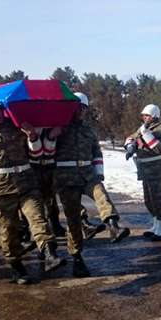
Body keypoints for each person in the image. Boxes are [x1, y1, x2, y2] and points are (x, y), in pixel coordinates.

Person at [0, 94, 64, 284]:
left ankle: (50, 254)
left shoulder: (18, 127)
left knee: (38, 218)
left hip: (27, 184)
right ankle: (16, 266)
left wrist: (33, 136)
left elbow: (35, 153)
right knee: (8, 229)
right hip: (2, 190)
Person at [49, 92, 129, 278]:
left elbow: (96, 152)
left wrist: (99, 174)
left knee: (101, 193)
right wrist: (52, 137)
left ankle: (113, 225)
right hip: (65, 178)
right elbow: (44, 150)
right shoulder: (58, 128)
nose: (79, 111)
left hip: (87, 174)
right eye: (75, 108)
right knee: (73, 220)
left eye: (82, 108)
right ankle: (76, 256)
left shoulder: (88, 130)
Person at [124, 104, 161, 241]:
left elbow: (159, 148)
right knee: (148, 200)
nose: (144, 118)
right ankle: (155, 225)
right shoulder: (144, 128)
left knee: (157, 199)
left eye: (147, 115)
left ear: (154, 116)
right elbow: (130, 137)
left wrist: (145, 134)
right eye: (143, 115)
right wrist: (130, 145)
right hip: (144, 169)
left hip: (156, 169)